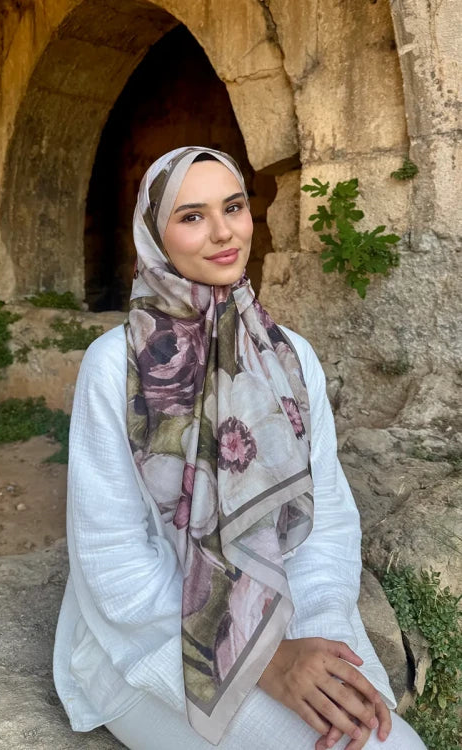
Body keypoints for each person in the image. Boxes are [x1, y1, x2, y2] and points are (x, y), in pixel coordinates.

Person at [53, 147, 426, 750]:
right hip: (153, 649)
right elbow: (113, 560)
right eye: (192, 216)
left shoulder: (288, 355)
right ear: (154, 235)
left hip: (288, 618)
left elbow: (325, 521)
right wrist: (268, 663)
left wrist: (324, 637)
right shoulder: (114, 366)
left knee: (383, 742)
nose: (224, 232)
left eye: (233, 207)